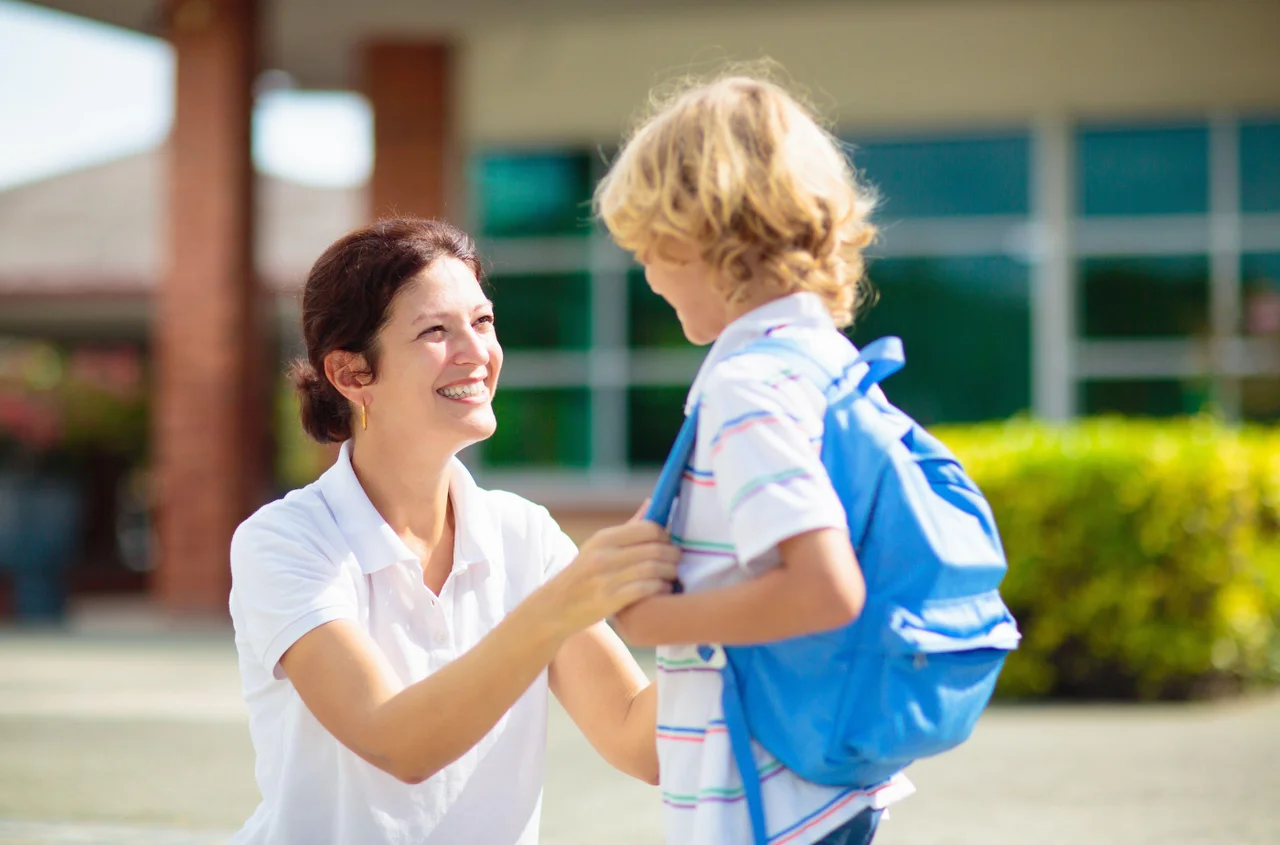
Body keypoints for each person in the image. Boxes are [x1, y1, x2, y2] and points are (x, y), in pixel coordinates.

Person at [227, 217, 680, 844]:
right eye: (436, 330)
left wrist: (718, 610)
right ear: (352, 374)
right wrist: (562, 604)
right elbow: (397, 742)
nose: (477, 352)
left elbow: (640, 740)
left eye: (483, 321)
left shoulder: (525, 534)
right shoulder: (284, 542)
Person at [594, 72, 915, 845]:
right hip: (833, 781)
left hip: (770, 803)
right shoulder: (826, 360)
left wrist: (652, 616)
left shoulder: (747, 388)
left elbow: (823, 587)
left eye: (649, 248)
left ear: (699, 238)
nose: (648, 276)